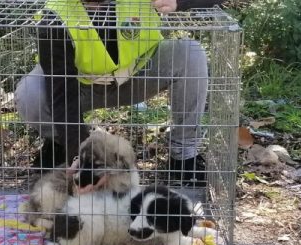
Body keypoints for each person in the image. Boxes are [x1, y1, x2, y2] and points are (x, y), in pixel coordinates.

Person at [15, 0, 223, 185]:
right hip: (81, 88)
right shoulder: (54, 16)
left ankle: (184, 157)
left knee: (190, 54)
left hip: (139, 76)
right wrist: (82, 157)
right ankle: (61, 145)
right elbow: (61, 94)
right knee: (30, 94)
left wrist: (178, 2)